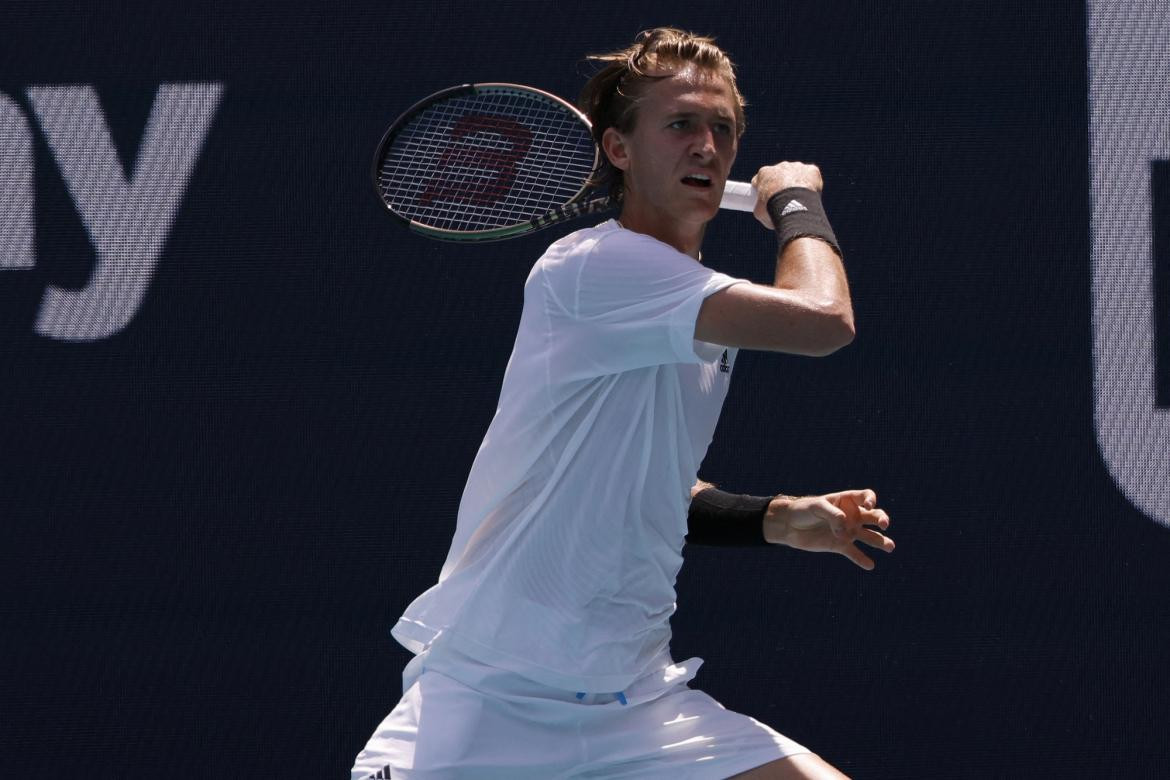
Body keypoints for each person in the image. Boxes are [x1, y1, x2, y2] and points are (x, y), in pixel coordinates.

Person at [352, 27, 894, 780]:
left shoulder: (693, 303)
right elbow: (825, 321)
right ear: (617, 150)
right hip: (487, 706)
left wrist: (773, 518)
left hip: (634, 705)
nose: (707, 146)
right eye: (680, 125)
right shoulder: (595, 269)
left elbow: (645, 480)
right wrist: (797, 201)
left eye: (723, 129)